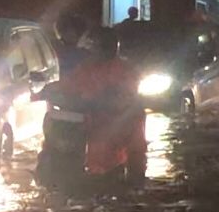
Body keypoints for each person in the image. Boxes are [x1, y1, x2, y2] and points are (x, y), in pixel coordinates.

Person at [44, 27, 146, 184]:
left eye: (94, 49)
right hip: (90, 120)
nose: (91, 54)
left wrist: (102, 101)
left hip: (117, 124)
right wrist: (48, 90)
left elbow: (123, 97)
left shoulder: (124, 71)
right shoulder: (86, 68)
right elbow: (69, 84)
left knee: (126, 161)